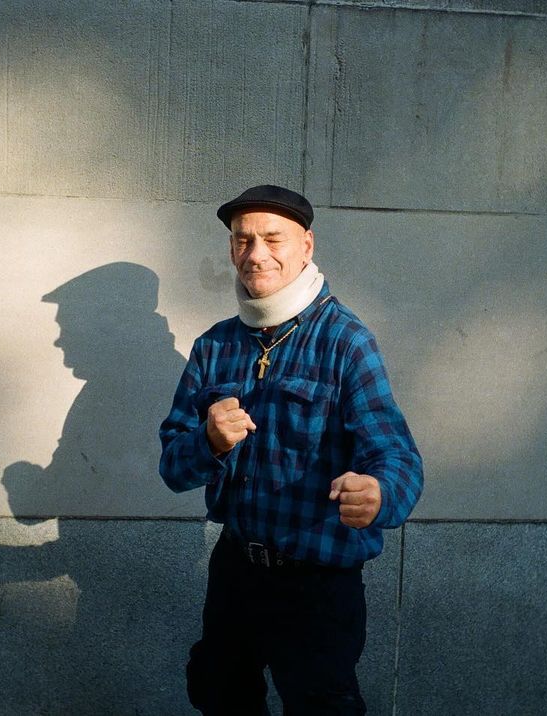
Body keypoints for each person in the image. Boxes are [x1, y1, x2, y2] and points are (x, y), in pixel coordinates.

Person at [159, 185, 423, 714]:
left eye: (273, 238)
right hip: (236, 571)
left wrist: (378, 494)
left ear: (307, 245)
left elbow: (398, 458)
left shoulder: (346, 342)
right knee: (219, 694)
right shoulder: (214, 346)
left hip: (317, 583)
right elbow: (172, 468)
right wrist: (208, 441)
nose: (256, 254)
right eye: (243, 240)